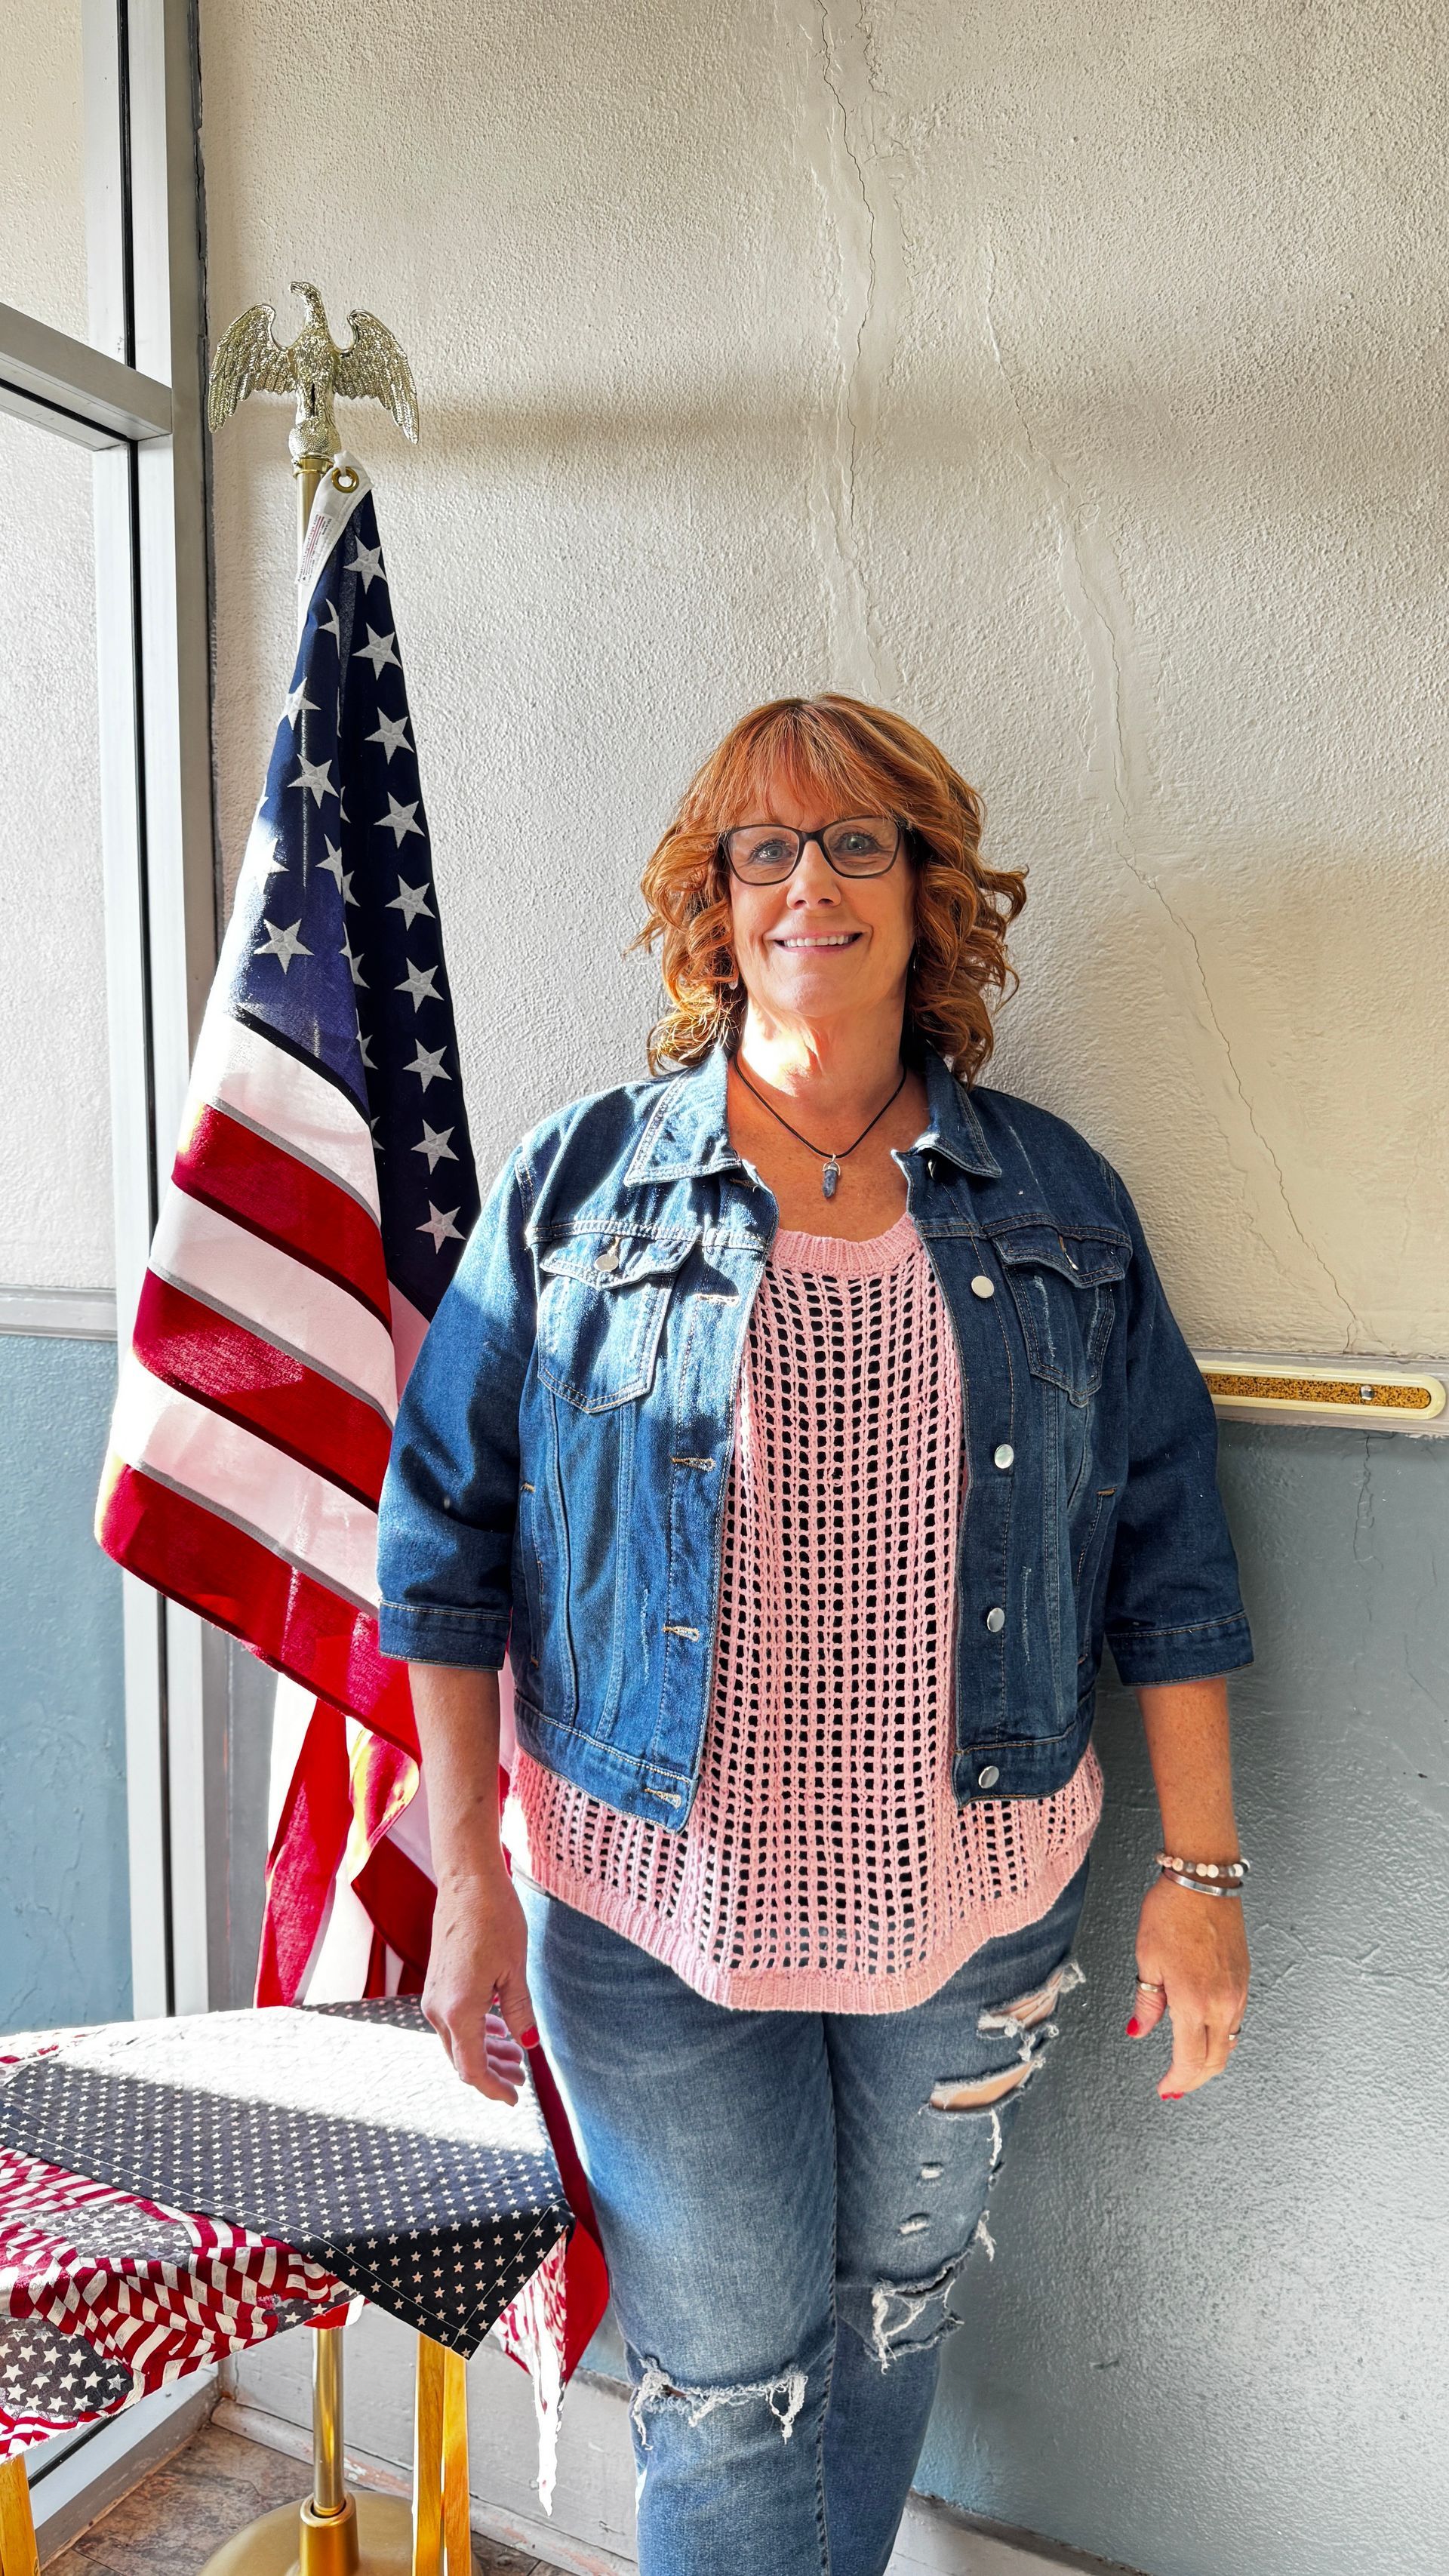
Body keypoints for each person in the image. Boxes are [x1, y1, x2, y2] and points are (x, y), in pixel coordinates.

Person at [376, 694, 1253, 2576]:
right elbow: (440, 1545)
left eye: (858, 842)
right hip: (642, 1909)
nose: (809, 883)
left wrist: (1200, 1868)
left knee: (888, 2324)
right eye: (761, 849)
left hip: (973, 1898)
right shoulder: (573, 1191)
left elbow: (1170, 1555)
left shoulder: (1059, 1206)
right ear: (711, 903)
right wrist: (466, 1873)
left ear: (931, 895)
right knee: (726, 2389)